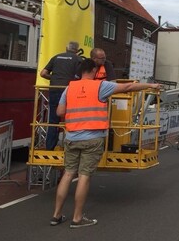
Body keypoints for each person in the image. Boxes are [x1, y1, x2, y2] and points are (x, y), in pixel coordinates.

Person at [50, 58, 160, 228]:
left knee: (68, 174)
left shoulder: (69, 88)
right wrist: (151, 86)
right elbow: (128, 87)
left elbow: (60, 111)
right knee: (84, 177)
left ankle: (56, 215)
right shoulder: (100, 86)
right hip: (92, 139)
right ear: (94, 71)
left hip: (71, 138)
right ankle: (77, 218)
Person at [40, 41, 83, 150]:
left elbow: (43, 73)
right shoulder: (78, 60)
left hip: (54, 89)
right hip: (69, 90)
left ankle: (49, 147)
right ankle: (69, 146)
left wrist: (54, 79)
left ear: (66, 48)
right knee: (71, 118)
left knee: (53, 120)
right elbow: (81, 77)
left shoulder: (56, 57)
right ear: (77, 51)